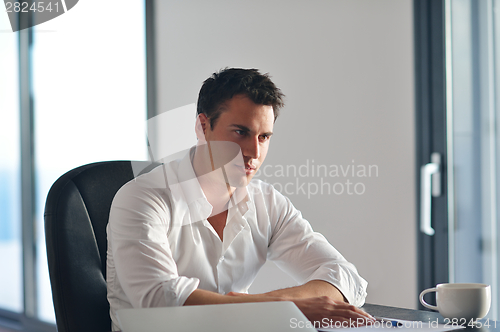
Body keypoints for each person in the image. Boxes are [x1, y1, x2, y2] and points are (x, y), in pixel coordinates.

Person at [106, 68, 371, 331]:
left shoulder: (267, 202)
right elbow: (160, 301)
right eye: (240, 132)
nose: (253, 152)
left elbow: (346, 277)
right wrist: (283, 308)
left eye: (264, 137)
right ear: (203, 126)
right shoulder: (142, 198)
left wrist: (276, 303)